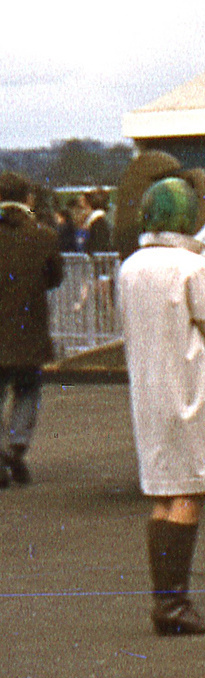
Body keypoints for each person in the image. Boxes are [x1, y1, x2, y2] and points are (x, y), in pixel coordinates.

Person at [116, 178, 205, 635]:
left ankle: (165, 597)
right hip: (191, 383)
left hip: (149, 387)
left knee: (164, 489)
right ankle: (173, 606)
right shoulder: (192, 268)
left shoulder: (130, 267)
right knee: (188, 488)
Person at [0, 171, 62, 487]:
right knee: (27, 389)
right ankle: (15, 445)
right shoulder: (43, 235)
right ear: (28, 198)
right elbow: (55, 278)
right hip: (28, 330)